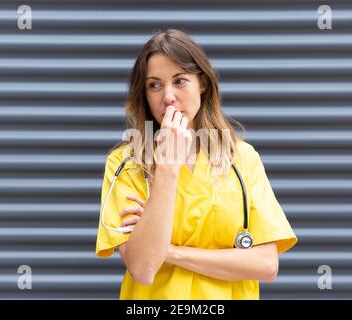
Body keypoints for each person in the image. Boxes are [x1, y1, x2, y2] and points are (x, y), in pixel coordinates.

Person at [95, 29, 297, 300]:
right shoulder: (125, 164)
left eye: (180, 81)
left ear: (202, 83)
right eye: (154, 85)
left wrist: (167, 251)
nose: (167, 97)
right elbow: (143, 268)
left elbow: (266, 265)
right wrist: (167, 168)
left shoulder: (242, 159)